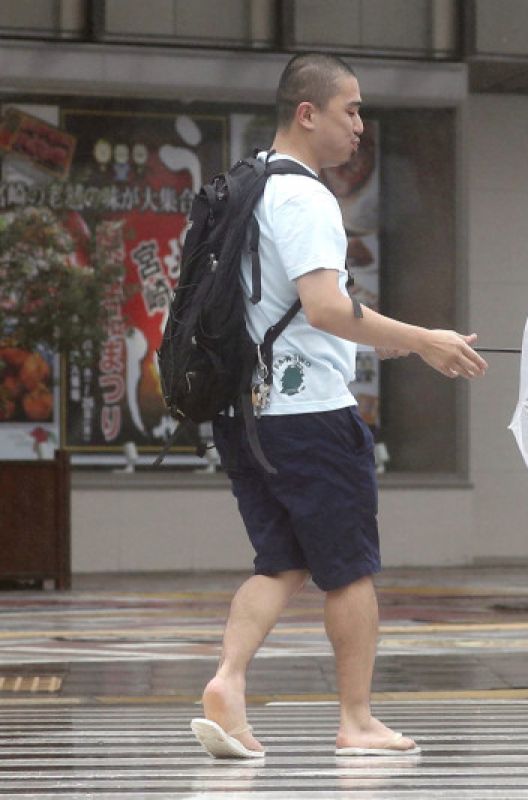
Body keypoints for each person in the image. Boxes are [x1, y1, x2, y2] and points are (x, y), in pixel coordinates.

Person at [190, 53, 488, 760]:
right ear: (307, 113)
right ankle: (357, 719)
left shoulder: (247, 187)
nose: (359, 125)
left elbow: (292, 310)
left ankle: (228, 684)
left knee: (281, 560)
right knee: (349, 569)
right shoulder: (307, 198)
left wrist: (373, 342)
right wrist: (423, 341)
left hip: (244, 411)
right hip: (310, 419)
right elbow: (325, 308)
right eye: (349, 110)